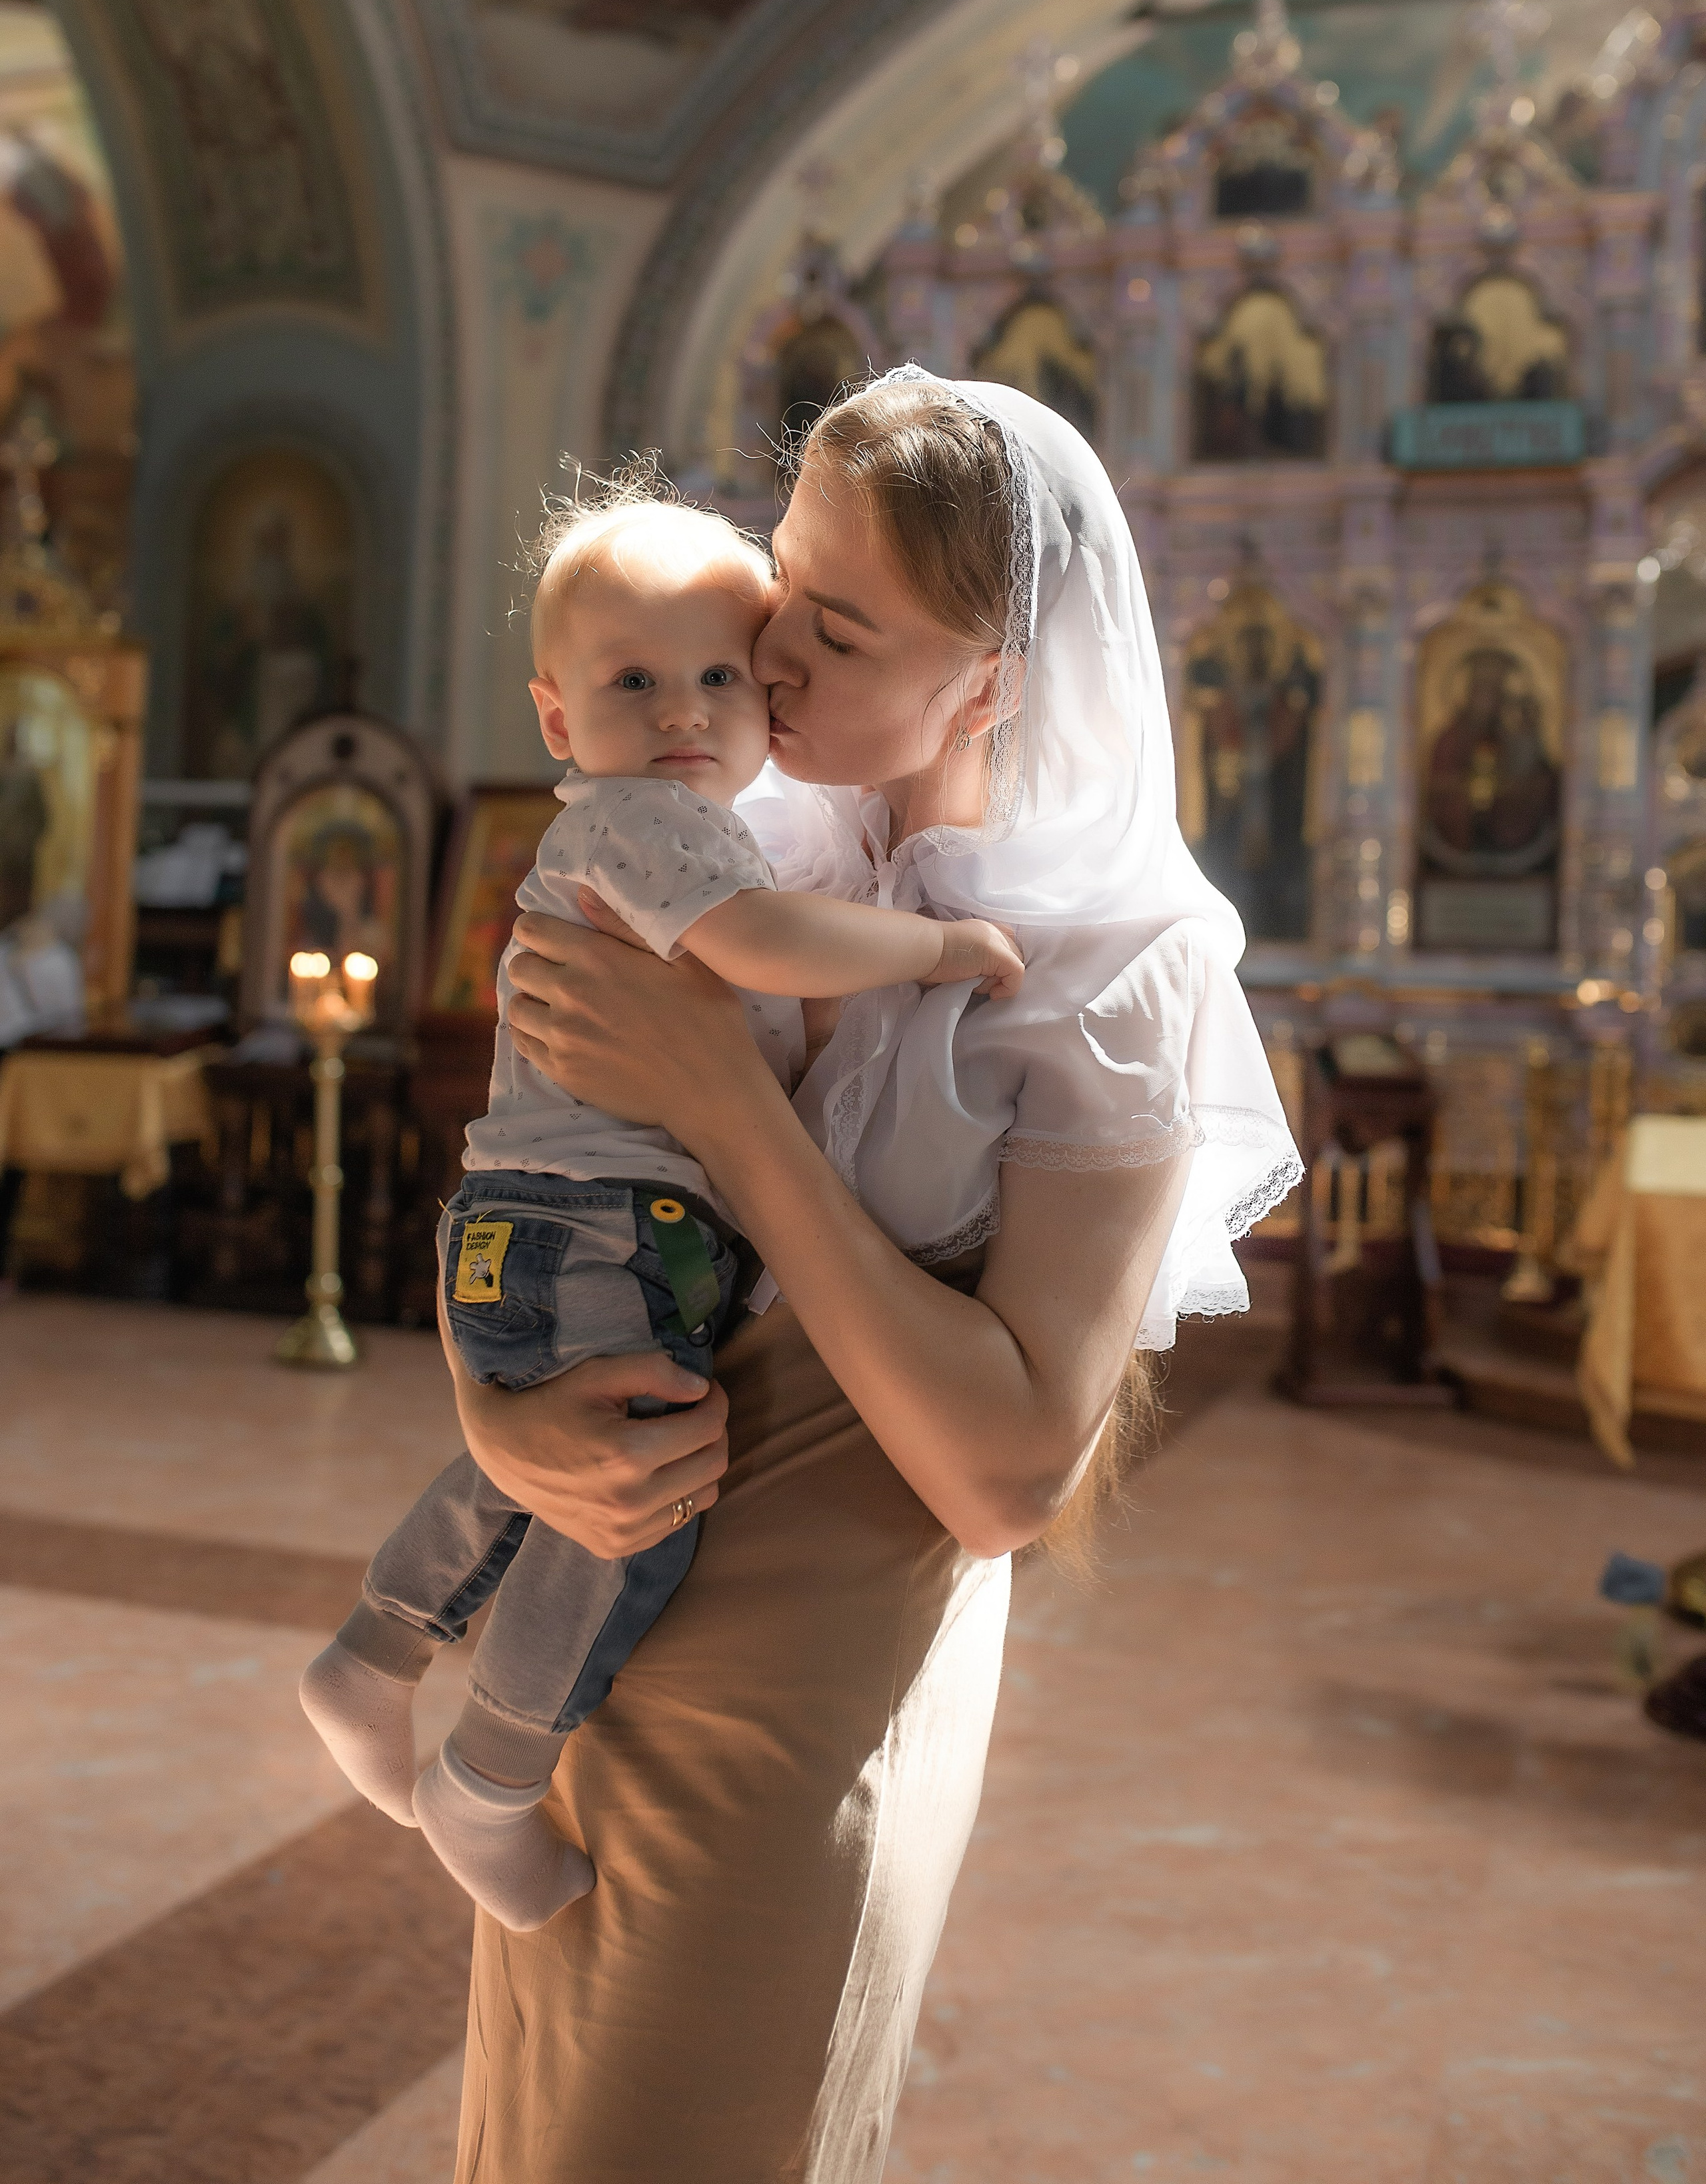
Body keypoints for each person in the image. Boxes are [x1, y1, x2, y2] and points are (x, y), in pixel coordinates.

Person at [439, 371, 1300, 2183]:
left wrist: (720, 1105)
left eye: (831, 630)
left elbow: (1006, 1474)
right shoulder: (726, 851)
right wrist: (503, 1421)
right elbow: (539, 1188)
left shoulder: (1109, 970)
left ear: (991, 681)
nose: (764, 654)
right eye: (775, 591)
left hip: (815, 1684)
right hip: (604, 1618)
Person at [298, 488, 1020, 1931]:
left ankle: (373, 1654)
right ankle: (489, 1780)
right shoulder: (647, 826)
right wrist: (942, 943)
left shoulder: (669, 825)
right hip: (599, 1227)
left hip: (551, 1221)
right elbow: (759, 947)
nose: (689, 711)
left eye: (720, 677)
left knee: (550, 1464)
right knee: (629, 1506)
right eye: (637, 682)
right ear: (560, 722)